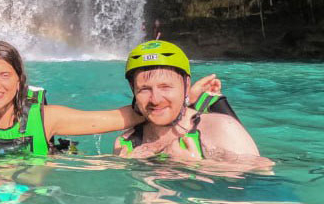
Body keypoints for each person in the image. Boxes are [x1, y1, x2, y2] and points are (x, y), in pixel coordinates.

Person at [0, 39, 220, 157]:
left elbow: (123, 116)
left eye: (5, 75)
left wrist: (187, 97)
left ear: (19, 81)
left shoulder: (47, 119)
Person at [114, 40, 266, 166]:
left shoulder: (221, 128)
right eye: (144, 89)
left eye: (165, 87)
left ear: (186, 85)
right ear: (132, 89)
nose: (156, 99)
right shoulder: (126, 143)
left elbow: (262, 185)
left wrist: (194, 166)